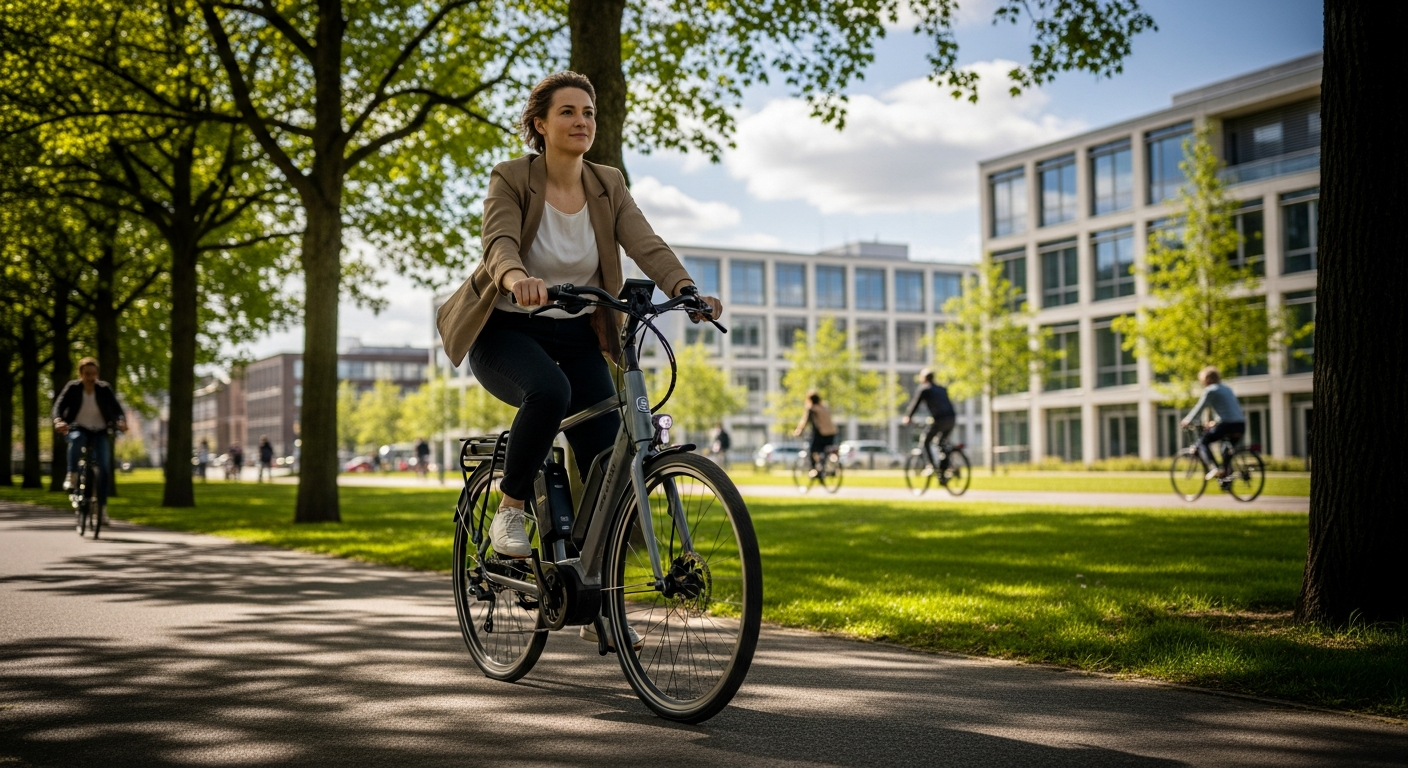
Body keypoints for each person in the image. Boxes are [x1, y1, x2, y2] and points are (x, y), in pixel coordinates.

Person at [433, 72, 722, 650]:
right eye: (567, 111)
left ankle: (601, 603)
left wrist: (685, 289)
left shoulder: (607, 183)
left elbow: (645, 242)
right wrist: (517, 278)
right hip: (506, 329)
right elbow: (499, 242)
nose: (582, 121)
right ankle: (510, 508)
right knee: (550, 392)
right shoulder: (512, 177)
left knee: (609, 459)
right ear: (540, 124)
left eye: (588, 112)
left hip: (577, 336)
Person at [52, 357, 128, 524]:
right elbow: (59, 406)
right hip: (78, 428)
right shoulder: (73, 388)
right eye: (87, 374)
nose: (91, 377)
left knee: (104, 469)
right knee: (77, 439)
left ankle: (101, 510)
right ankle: (72, 475)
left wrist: (121, 421)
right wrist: (58, 420)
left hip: (100, 431)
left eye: (93, 374)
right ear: (80, 374)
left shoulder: (104, 389)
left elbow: (117, 409)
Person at [1181, 365, 1246, 482]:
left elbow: (1199, 407)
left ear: (1209, 378)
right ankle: (1226, 477)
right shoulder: (1227, 389)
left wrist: (1187, 420)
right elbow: (1229, 410)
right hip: (1240, 424)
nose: (1203, 383)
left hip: (1227, 424)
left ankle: (1215, 468)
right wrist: (1215, 422)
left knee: (1203, 442)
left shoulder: (1211, 390)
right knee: (1226, 450)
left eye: (1203, 380)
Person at [901, 369, 957, 478]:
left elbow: (915, 404)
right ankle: (945, 469)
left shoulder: (925, 389)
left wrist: (908, 417)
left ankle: (930, 466)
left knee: (925, 441)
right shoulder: (942, 389)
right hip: (951, 418)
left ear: (924, 378)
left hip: (940, 419)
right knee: (942, 442)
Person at [792, 391, 839, 475]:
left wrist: (799, 430)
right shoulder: (825, 407)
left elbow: (805, 421)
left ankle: (814, 470)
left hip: (821, 433)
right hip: (831, 432)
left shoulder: (812, 409)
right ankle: (826, 468)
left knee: (812, 450)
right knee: (825, 452)